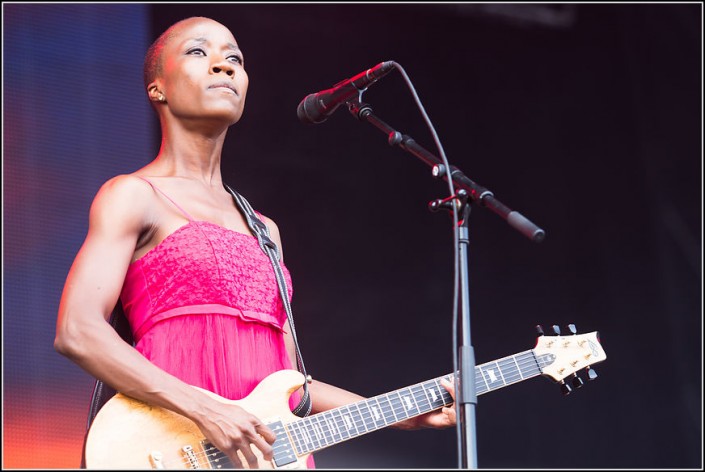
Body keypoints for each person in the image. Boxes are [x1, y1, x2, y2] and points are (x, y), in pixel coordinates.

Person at [54, 16, 456, 469]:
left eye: (235, 59)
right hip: (168, 447)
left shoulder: (265, 230)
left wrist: (398, 415)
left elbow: (291, 387)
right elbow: (78, 330)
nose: (224, 66)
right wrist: (207, 410)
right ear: (157, 89)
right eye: (198, 52)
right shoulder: (133, 195)